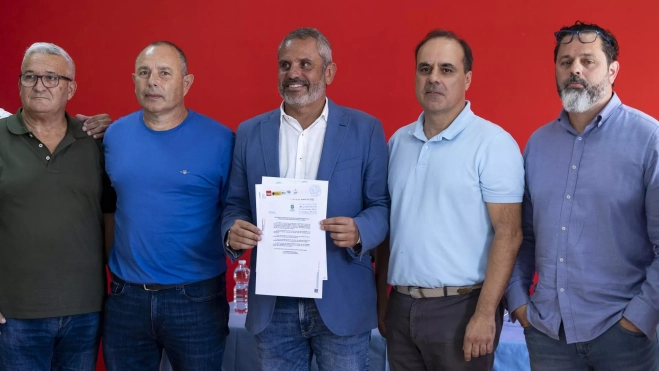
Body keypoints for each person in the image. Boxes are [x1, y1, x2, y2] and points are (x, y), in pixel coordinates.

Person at [221, 28, 389, 371]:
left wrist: (359, 230)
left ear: (329, 72)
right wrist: (232, 231)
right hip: (273, 304)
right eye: (285, 65)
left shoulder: (365, 129)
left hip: (341, 299)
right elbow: (235, 204)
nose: (293, 73)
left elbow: (382, 207)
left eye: (305, 64)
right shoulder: (250, 132)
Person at [505, 21, 659, 371]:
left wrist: (638, 320)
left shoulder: (650, 140)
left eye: (588, 60)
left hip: (623, 338)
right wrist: (519, 305)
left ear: (613, 70)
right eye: (565, 61)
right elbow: (521, 236)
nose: (575, 68)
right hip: (548, 334)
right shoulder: (537, 145)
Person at [375, 29, 524, 371]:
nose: (434, 79)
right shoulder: (398, 142)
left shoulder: (493, 143)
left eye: (447, 69)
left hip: (462, 308)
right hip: (401, 305)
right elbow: (388, 230)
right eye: (425, 69)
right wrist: (381, 301)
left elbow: (510, 233)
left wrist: (486, 313)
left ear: (467, 78)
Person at [102, 41, 235, 370]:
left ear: (186, 83)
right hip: (126, 298)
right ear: (134, 80)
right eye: (144, 73)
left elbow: (237, 210)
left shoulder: (222, 140)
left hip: (196, 300)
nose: (153, 82)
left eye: (164, 73)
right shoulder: (113, 136)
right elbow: (107, 208)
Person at [0, 42, 115, 371]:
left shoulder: (95, 141)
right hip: (15, 316)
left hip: (84, 313)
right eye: (30, 77)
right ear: (19, 82)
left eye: (52, 78)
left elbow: (110, 219)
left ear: (71, 88)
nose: (39, 86)